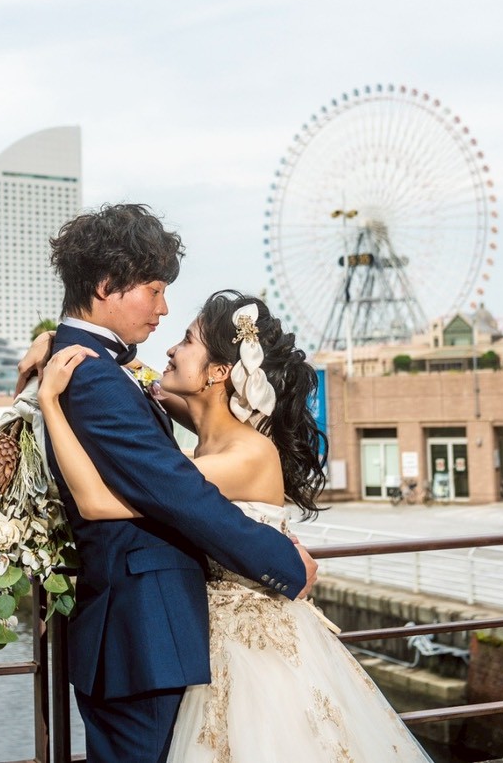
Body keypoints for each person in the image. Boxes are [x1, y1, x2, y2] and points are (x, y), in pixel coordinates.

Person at [38, 287, 433, 762]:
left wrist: (51, 405)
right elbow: (141, 387)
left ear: (221, 371)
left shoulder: (242, 456)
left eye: (186, 340)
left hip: (247, 645)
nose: (169, 347)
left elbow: (98, 502)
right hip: (207, 632)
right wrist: (55, 343)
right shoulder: (205, 434)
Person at [34, 205, 319, 763]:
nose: (163, 311)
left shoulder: (95, 365)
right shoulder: (93, 377)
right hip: (141, 636)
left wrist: (47, 343)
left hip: (147, 633)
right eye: (155, 290)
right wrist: (283, 562)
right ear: (106, 284)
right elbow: (180, 494)